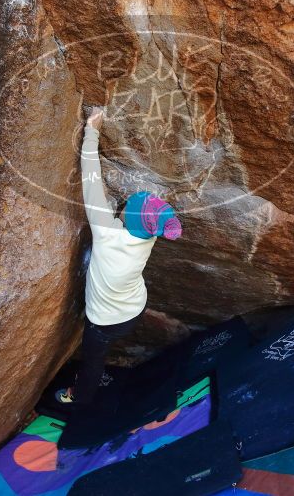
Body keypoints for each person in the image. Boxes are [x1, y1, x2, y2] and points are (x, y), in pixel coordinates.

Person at [56, 106, 182, 405]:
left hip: (103, 321)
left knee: (92, 363)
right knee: (107, 342)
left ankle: (80, 398)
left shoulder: (107, 232)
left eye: (129, 204)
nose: (124, 203)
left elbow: (90, 179)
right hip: (133, 309)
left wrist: (92, 131)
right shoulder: (149, 235)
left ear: (128, 218)